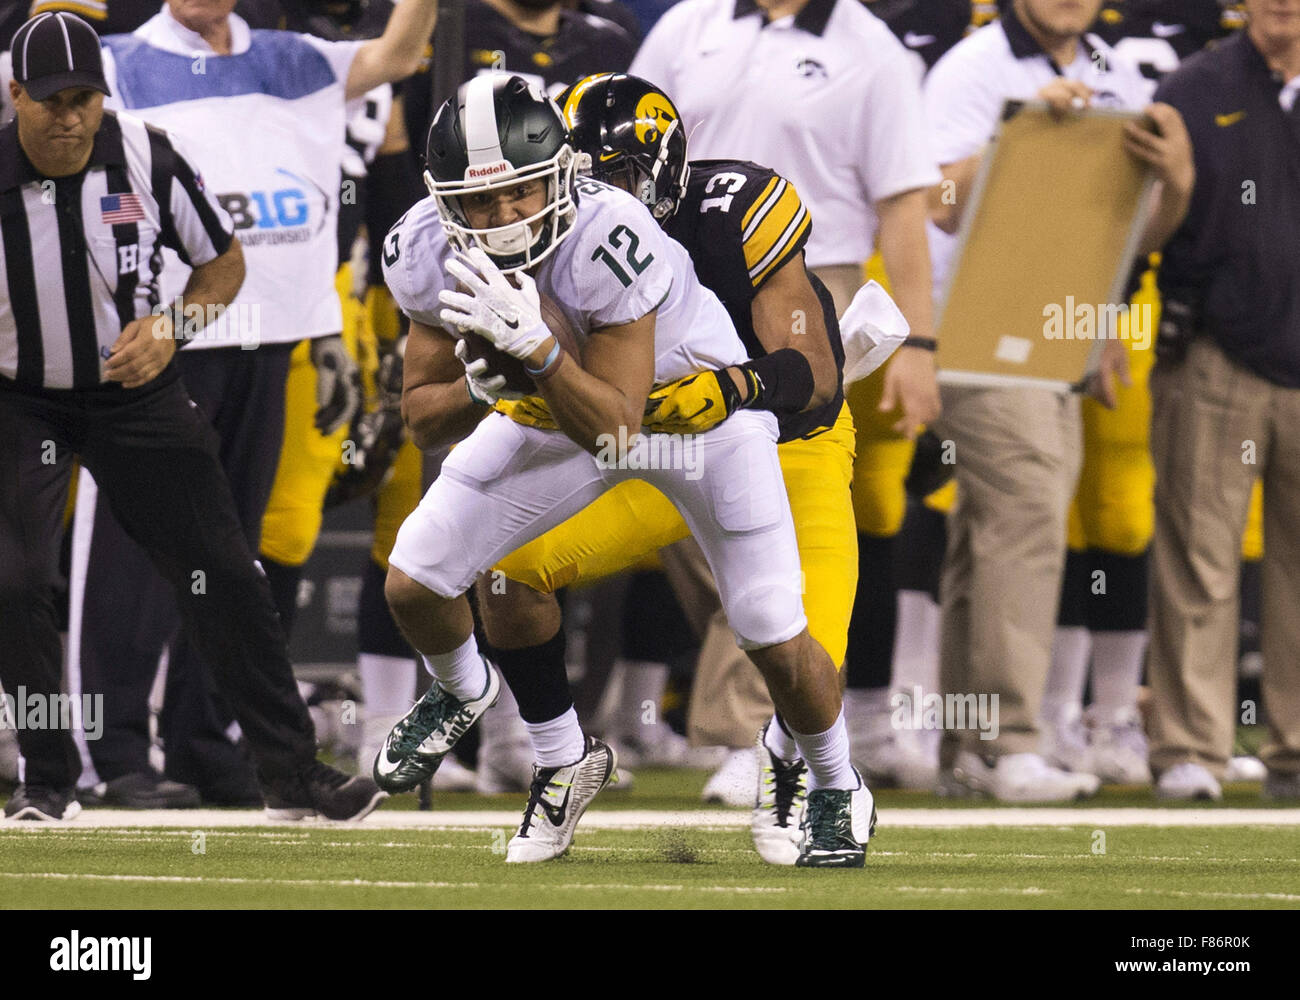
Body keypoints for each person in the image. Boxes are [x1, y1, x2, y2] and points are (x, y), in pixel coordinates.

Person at [377, 73, 874, 866]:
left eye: (623, 176)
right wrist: (490, 379)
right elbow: (431, 415)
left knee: (780, 631)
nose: (508, 216)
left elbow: (810, 375)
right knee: (477, 573)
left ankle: (823, 778)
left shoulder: (687, 219)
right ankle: (551, 751)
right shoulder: (436, 245)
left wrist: (733, 383)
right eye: (482, 199)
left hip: (746, 432)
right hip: (590, 416)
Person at [27, 0, 438, 807]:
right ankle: (106, 755)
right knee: (128, 559)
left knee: (229, 557)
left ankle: (202, 744)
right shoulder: (110, 62)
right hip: (161, 342)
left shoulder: (299, 57)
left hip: (274, 330)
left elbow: (396, 54)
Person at [629, 0, 945, 794]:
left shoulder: (870, 47)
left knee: (779, 493)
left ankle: (751, 734)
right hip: (675, 279)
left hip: (801, 280)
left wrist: (921, 343)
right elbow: (618, 156)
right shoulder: (686, 26)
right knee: (681, 495)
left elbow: (903, 205)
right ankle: (784, 714)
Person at [923, 0, 1193, 800]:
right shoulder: (970, 68)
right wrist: (1023, 132)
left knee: (993, 535)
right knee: (1029, 516)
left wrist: (1175, 180)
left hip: (1058, 329)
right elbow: (931, 198)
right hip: (975, 325)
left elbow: (1134, 226)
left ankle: (971, 748)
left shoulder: (1109, 68)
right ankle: (1012, 744)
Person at [1144, 0, 1300, 802]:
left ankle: (1295, 751)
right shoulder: (1194, 87)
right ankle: (1191, 750)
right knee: (1198, 563)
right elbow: (1141, 221)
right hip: (1214, 355)